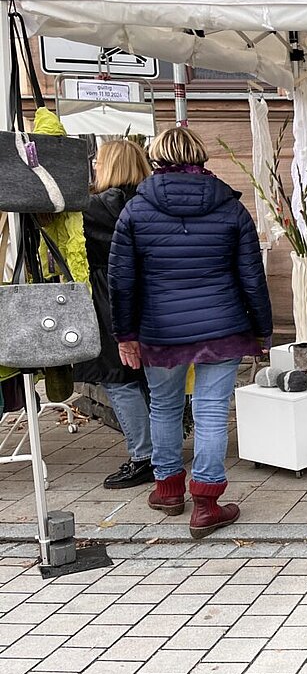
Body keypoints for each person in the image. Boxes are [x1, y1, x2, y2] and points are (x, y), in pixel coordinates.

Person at [110, 126, 272, 539]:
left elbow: (122, 281)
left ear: (156, 158)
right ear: (201, 157)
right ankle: (206, 503)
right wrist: (263, 332)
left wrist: (125, 334)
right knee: (212, 411)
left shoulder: (135, 210)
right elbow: (252, 276)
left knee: (163, 406)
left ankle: (167, 490)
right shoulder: (231, 208)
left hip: (159, 330)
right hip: (223, 326)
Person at [73, 139, 155, 490]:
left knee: (118, 378)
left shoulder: (92, 210)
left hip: (109, 299)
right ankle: (161, 450)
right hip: (154, 298)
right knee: (153, 379)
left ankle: (143, 455)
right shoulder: (152, 203)